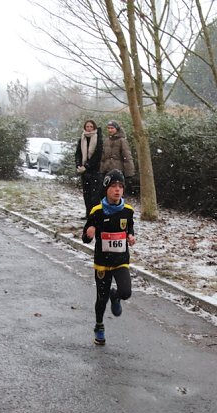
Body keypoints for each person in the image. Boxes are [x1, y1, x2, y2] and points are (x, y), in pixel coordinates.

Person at [82, 170, 136, 346]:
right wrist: (89, 234)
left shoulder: (128, 211)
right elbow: (86, 236)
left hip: (121, 261)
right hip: (102, 263)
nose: (117, 190)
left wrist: (131, 237)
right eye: (113, 186)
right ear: (106, 189)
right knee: (101, 299)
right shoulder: (97, 211)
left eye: (120, 186)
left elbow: (129, 228)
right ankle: (99, 326)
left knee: (126, 292)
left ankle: (116, 295)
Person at [75, 119, 104, 217]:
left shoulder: (98, 138)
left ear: (94, 127)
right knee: (86, 194)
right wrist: (78, 164)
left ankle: (95, 215)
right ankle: (88, 214)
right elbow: (78, 153)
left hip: (95, 170)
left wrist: (87, 166)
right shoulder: (82, 138)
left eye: (91, 127)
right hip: (84, 171)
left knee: (95, 195)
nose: (89, 128)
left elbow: (98, 154)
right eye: (87, 127)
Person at [100, 120, 135, 186]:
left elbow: (127, 157)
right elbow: (103, 158)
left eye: (112, 128)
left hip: (118, 171)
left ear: (117, 129)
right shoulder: (106, 141)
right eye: (108, 128)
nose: (110, 130)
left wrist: (129, 174)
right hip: (107, 171)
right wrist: (101, 170)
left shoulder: (122, 141)